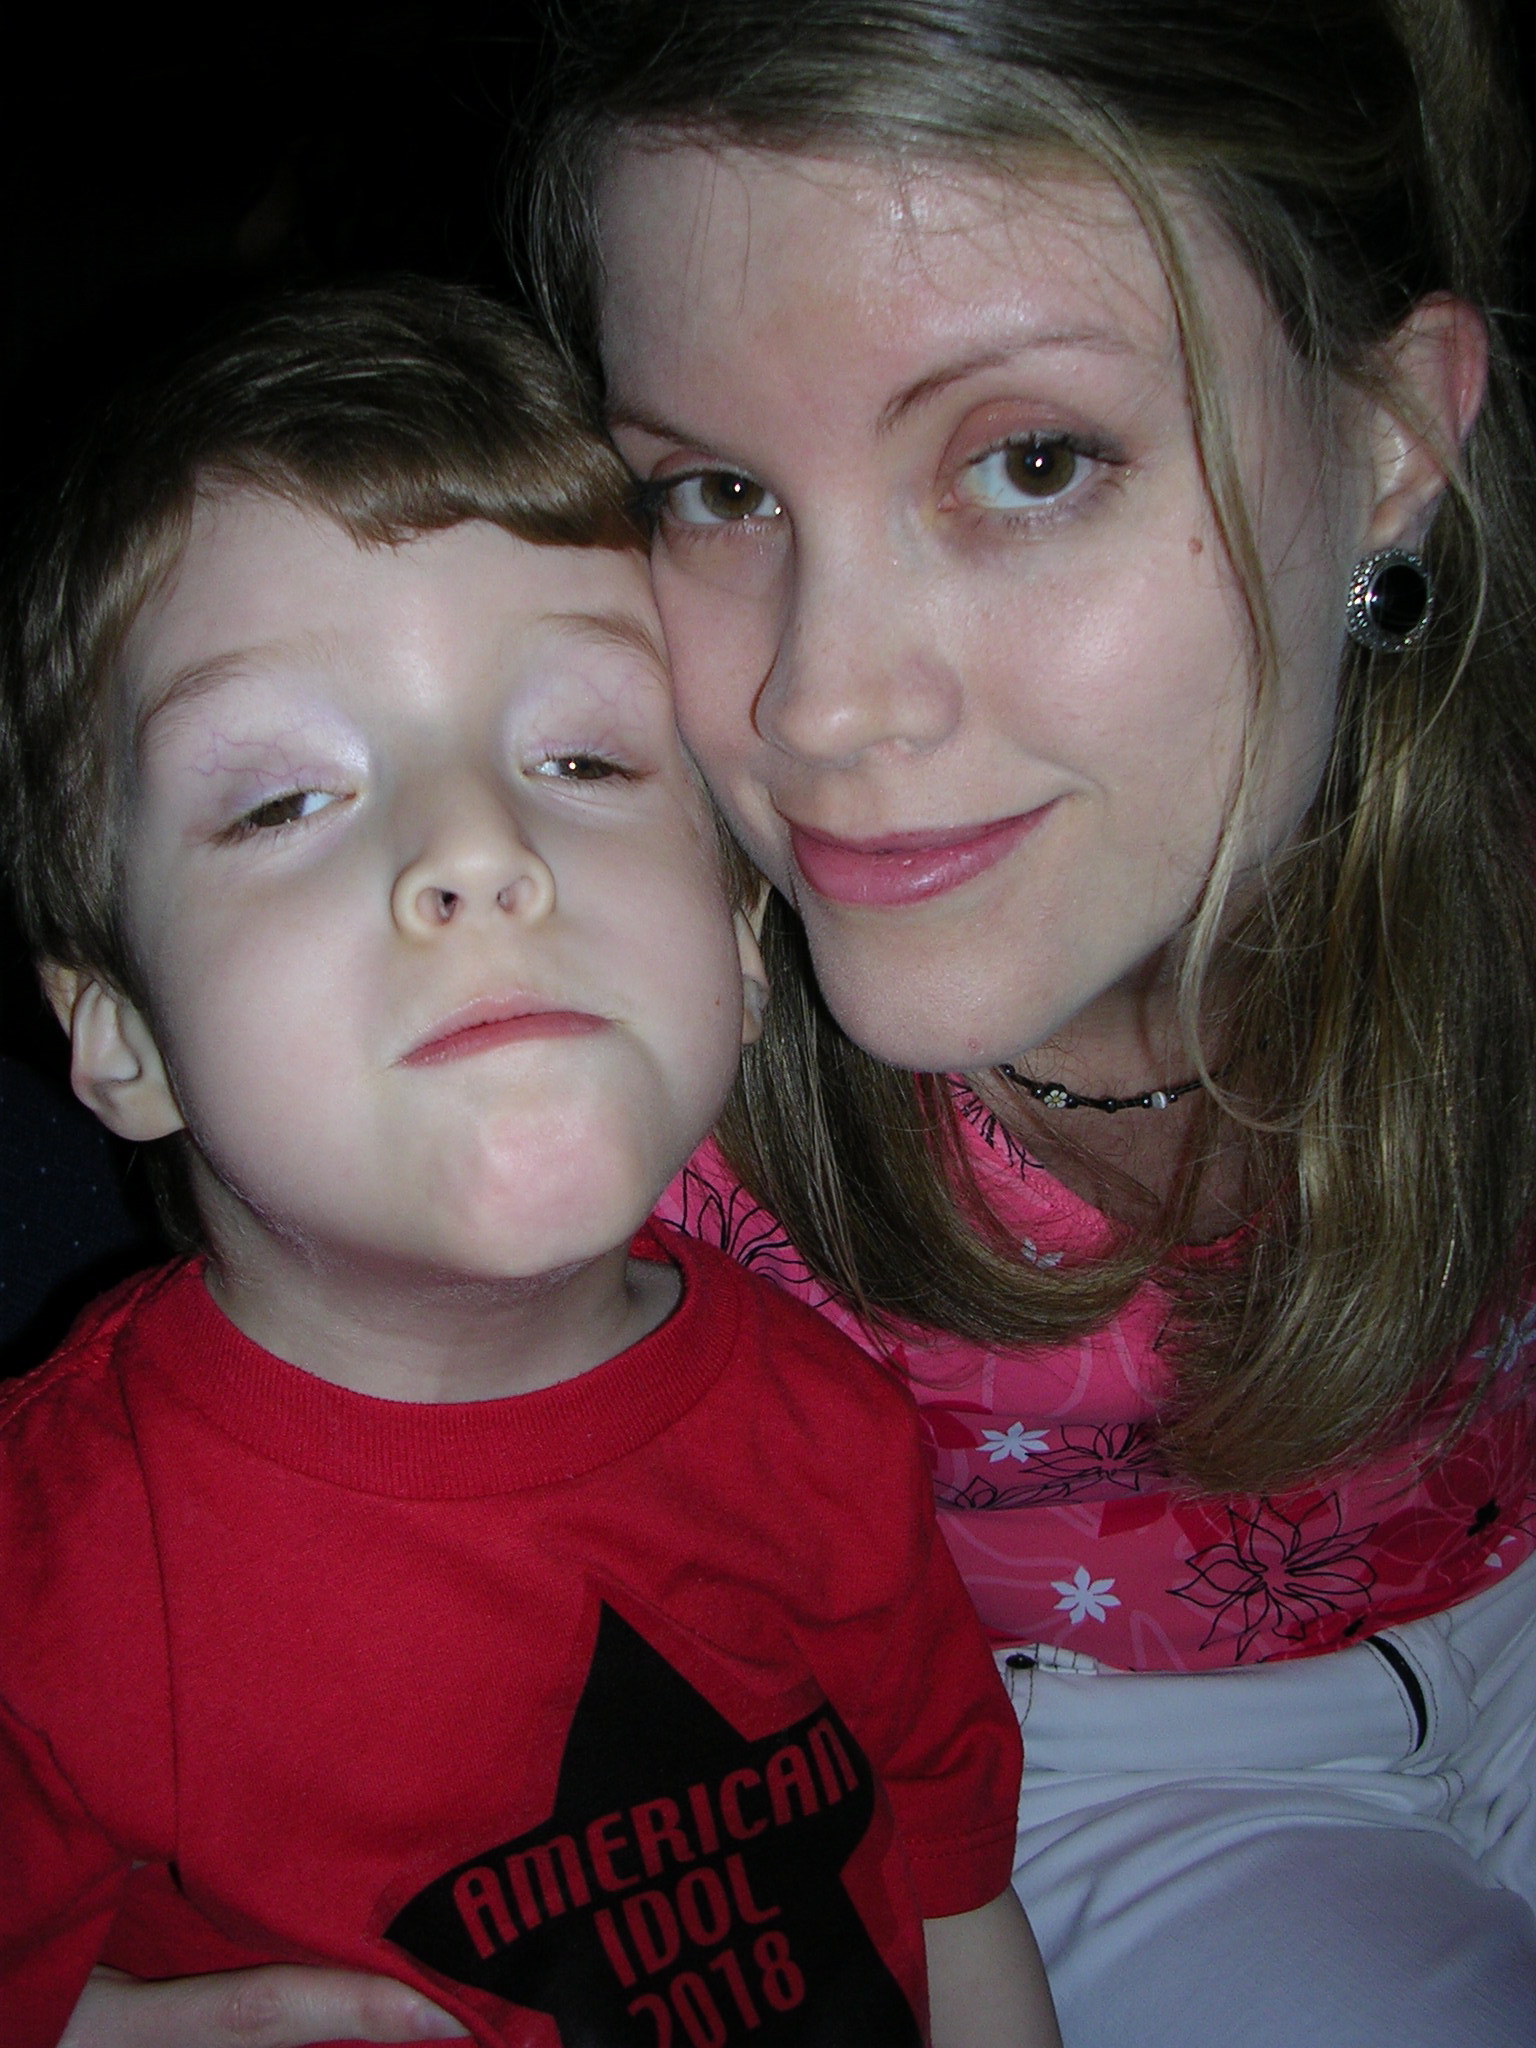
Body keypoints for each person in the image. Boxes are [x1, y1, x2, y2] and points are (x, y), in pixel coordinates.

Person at [58, 0, 1536, 2043]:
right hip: (1105, 1776)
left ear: (1387, 445)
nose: (825, 705)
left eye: (1029, 461)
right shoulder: (593, 1086)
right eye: (715, 493)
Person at [0, 280, 1058, 2048]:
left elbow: (957, 1905)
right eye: (282, 800)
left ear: (737, 943)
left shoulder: (828, 1432)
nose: (479, 850)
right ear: (121, 1037)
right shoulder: (53, 1583)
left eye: (581, 755)